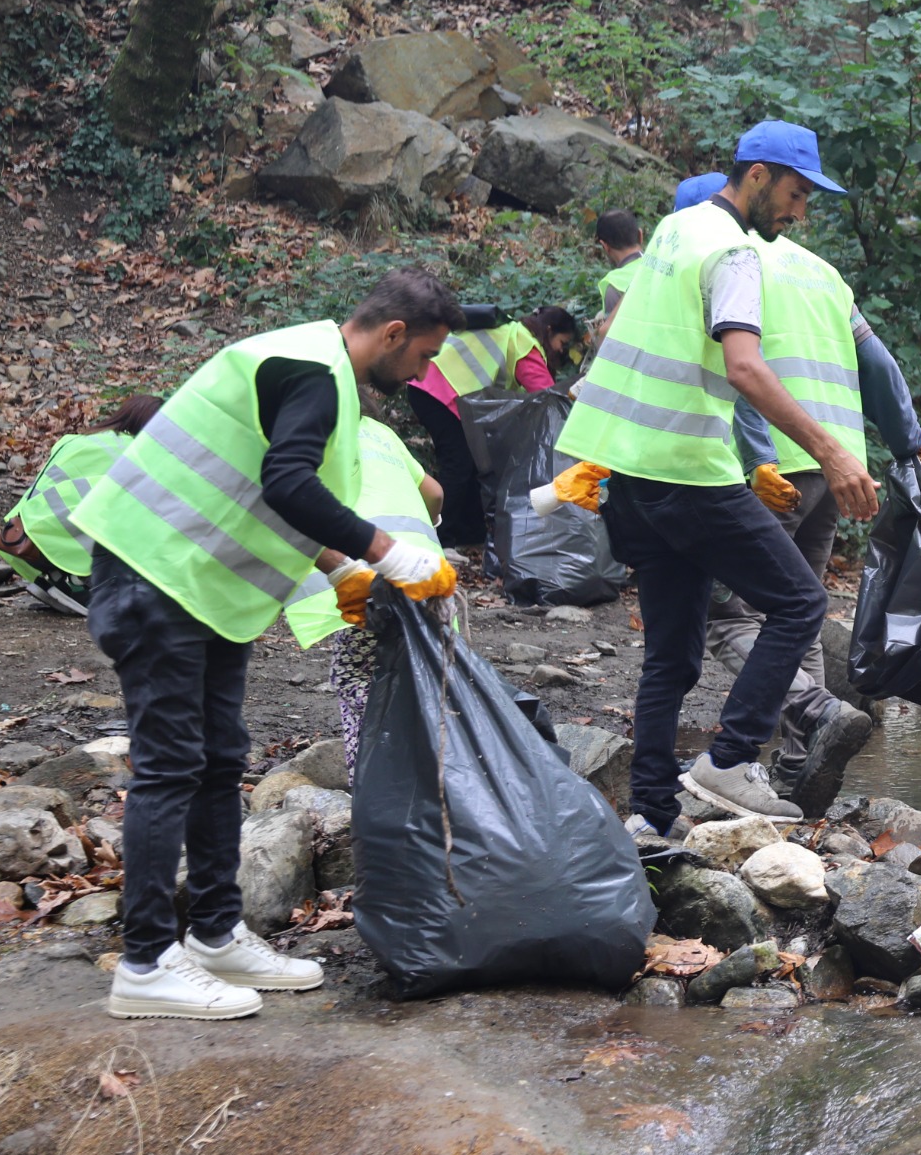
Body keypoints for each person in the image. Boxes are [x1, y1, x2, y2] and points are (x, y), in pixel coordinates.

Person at [69, 268, 464, 1020]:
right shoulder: (314, 373)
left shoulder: (315, 372)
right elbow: (288, 483)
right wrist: (384, 549)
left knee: (219, 758)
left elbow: (257, 486)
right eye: (423, 356)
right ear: (391, 335)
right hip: (154, 574)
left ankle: (215, 934)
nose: (424, 373)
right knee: (170, 767)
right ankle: (147, 963)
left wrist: (338, 565)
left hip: (194, 587)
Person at [558, 120, 880, 834]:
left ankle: (651, 813)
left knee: (670, 655)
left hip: (629, 478)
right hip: (688, 472)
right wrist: (833, 453)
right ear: (759, 174)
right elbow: (744, 367)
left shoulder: (675, 230)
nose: (799, 213)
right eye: (797, 194)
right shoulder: (734, 251)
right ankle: (730, 759)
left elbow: (620, 339)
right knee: (796, 602)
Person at [697, 227, 921, 815]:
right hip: (836, 462)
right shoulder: (821, 272)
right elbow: (876, 362)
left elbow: (740, 372)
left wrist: (759, 458)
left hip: (771, 470)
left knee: (727, 616)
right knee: (797, 608)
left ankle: (817, 710)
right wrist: (906, 440)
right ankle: (801, 762)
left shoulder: (725, 262)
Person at [277, 416, 447, 785]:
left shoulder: (304, 427)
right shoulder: (381, 432)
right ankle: (436, 777)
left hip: (362, 578)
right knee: (424, 678)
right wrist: (428, 525)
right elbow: (434, 493)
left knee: (356, 676)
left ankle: (374, 789)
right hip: (425, 573)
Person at [406, 308, 557, 551]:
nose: (562, 350)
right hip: (438, 386)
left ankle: (469, 535)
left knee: (471, 461)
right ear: (550, 332)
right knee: (458, 462)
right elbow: (548, 396)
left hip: (430, 383)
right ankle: (441, 540)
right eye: (563, 342)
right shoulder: (523, 342)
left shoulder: (508, 333)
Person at [0, 394, 162, 615]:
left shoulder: (77, 440)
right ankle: (80, 582)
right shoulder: (136, 451)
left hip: (20, 530)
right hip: (62, 534)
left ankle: (59, 578)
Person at [593, 211, 646, 336]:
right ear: (640, 235)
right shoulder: (663, 265)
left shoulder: (614, 285)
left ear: (604, 246)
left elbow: (614, 342)